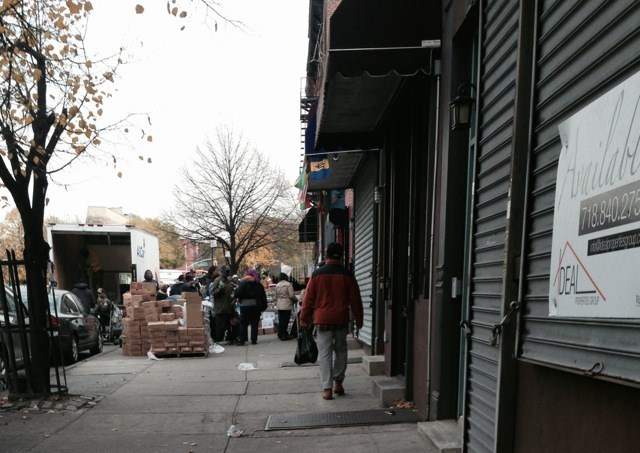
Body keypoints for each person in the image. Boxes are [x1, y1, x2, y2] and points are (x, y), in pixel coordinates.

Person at [300, 242, 363, 400]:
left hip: (322, 319)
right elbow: (356, 300)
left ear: (326, 255)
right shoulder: (347, 275)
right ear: (341, 256)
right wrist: (359, 319)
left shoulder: (317, 274)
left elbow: (308, 300)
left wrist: (304, 318)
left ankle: (326, 388)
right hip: (341, 318)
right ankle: (338, 382)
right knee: (341, 350)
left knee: (325, 353)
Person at [233, 268, 267, 346]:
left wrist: (241, 282)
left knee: (243, 323)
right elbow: (263, 297)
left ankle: (242, 340)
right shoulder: (258, 284)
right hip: (255, 306)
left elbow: (237, 294)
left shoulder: (243, 284)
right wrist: (263, 307)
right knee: (254, 323)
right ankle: (254, 339)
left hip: (244, 306)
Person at [211, 266, 235, 344]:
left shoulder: (228, 281)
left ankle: (230, 338)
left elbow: (230, 292)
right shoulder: (217, 281)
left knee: (229, 325)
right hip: (220, 307)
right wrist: (220, 289)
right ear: (222, 272)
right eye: (226, 272)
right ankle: (219, 340)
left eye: (228, 272)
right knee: (220, 326)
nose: (227, 273)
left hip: (229, 306)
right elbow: (213, 293)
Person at [275, 272, 295, 341]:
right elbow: (292, 295)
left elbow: (276, 296)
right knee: (285, 320)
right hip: (287, 304)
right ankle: (284, 335)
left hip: (279, 304)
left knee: (281, 320)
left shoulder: (277, 285)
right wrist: (295, 301)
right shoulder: (288, 284)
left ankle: (280, 334)